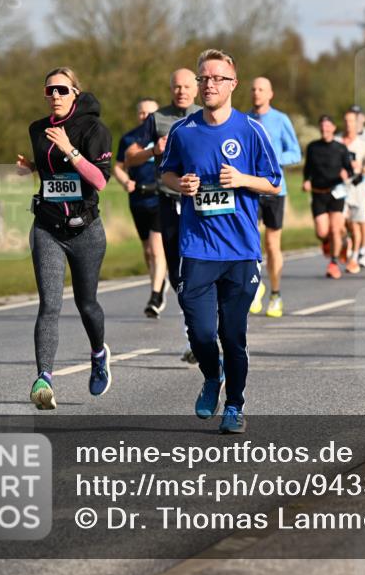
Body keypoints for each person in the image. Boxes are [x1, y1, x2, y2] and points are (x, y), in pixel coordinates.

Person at [159, 49, 282, 433]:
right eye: (203, 78)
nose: (209, 85)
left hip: (241, 251)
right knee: (200, 333)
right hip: (196, 248)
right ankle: (212, 377)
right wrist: (181, 184)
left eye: (217, 79)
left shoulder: (250, 130)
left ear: (233, 84)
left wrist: (243, 179)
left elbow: (275, 182)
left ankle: (235, 405)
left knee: (232, 333)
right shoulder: (184, 131)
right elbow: (166, 174)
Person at [17, 67, 113, 410]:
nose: (54, 96)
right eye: (49, 91)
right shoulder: (37, 128)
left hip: (86, 230)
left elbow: (99, 181)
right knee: (49, 304)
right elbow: (52, 172)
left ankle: (99, 353)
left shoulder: (94, 129)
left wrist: (71, 150)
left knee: (87, 304)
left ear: (75, 92)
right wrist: (32, 166)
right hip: (47, 227)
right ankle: (44, 378)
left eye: (61, 90)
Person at [123, 69, 201, 361]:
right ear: (170, 89)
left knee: (202, 269)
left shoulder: (206, 115)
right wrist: (153, 149)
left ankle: (204, 333)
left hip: (202, 205)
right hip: (168, 202)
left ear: (196, 88)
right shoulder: (158, 119)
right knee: (178, 273)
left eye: (186, 86)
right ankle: (193, 338)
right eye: (176, 86)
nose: (181, 91)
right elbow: (130, 155)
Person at [248, 77, 302, 317]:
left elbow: (295, 153)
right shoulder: (244, 119)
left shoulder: (280, 120)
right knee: (249, 241)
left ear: (270, 94)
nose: (256, 93)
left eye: (261, 89)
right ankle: (255, 285)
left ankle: (276, 294)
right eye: (253, 89)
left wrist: (275, 161)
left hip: (274, 190)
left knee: (272, 244)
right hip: (249, 188)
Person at [113, 98, 167, 317]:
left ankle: (156, 294)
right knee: (147, 250)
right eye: (142, 113)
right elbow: (117, 167)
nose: (145, 117)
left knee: (156, 248)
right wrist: (125, 180)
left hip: (160, 196)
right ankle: (158, 281)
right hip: (138, 198)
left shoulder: (164, 138)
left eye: (150, 114)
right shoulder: (129, 139)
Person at [303, 115, 353, 279]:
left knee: (334, 229)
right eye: (322, 127)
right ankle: (342, 241)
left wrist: (346, 174)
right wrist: (306, 181)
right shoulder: (312, 147)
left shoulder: (340, 148)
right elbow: (307, 168)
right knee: (322, 232)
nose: (324, 130)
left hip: (336, 192)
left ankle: (333, 263)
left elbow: (349, 170)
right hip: (318, 193)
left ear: (333, 128)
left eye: (327, 127)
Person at [341, 109, 365, 272]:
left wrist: (361, 167)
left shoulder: (364, 144)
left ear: (357, 123)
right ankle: (346, 245)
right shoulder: (338, 141)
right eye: (346, 121)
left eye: (352, 121)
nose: (349, 124)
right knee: (341, 223)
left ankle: (358, 255)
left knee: (359, 223)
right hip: (340, 187)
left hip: (358, 187)